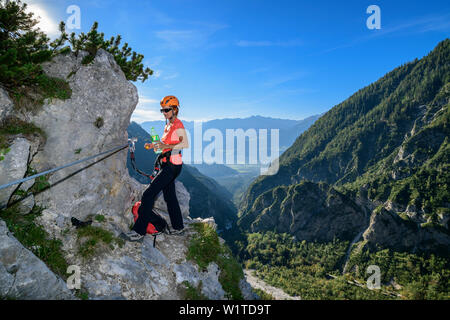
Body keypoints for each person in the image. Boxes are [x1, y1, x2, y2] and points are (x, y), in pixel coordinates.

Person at [121, 95, 189, 242]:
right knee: (170, 197)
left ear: (175, 110)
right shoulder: (168, 126)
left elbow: (184, 144)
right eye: (162, 110)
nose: (164, 113)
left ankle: (139, 231)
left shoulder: (178, 125)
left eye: (166, 110)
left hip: (172, 165)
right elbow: (164, 145)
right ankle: (178, 228)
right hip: (168, 163)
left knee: (147, 195)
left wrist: (165, 146)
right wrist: (154, 145)